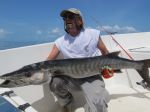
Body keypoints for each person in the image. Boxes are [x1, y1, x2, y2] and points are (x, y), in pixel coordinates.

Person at [47, 8, 114, 112]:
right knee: (55, 83)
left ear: (80, 20)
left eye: (71, 17)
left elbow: (105, 52)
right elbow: (47, 62)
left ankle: (94, 102)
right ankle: (67, 103)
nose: (67, 19)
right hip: (71, 78)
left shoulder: (93, 34)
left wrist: (108, 70)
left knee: (98, 108)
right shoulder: (60, 42)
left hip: (93, 76)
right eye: (65, 18)